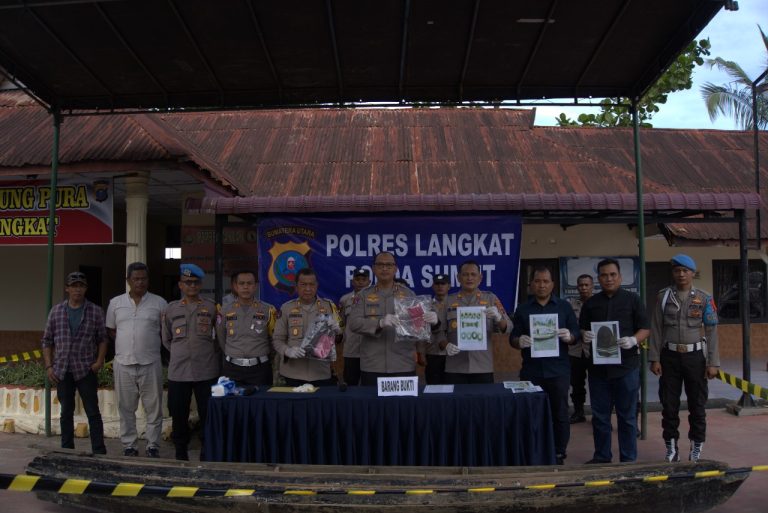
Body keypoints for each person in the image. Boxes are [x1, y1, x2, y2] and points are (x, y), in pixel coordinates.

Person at [649, 254, 719, 463]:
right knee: (669, 405)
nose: (681, 274)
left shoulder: (704, 298)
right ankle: (671, 447)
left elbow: (712, 330)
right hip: (669, 356)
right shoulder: (663, 297)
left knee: (697, 405)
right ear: (673, 273)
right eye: (677, 270)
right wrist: (654, 357)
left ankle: (696, 447)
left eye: (685, 271)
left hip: (695, 357)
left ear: (693, 273)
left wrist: (713, 362)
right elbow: (656, 328)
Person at [579, 258, 649, 463]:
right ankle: (602, 457)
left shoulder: (633, 300)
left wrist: (634, 339)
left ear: (620, 276)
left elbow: (645, 328)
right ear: (598, 278)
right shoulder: (591, 303)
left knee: (626, 418)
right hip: (598, 371)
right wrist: (584, 334)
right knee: (600, 417)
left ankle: (628, 459)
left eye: (612, 275)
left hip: (626, 368)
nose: (608, 279)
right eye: (604, 275)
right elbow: (581, 327)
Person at [511, 266, 579, 465]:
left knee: (560, 412)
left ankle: (559, 451)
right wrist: (518, 341)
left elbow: (575, 333)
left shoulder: (564, 307)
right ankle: (535, 449)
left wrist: (570, 336)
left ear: (552, 284)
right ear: (531, 284)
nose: (541, 285)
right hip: (531, 369)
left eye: (545, 281)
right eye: (538, 281)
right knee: (531, 411)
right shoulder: (523, 309)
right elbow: (513, 337)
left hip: (558, 370)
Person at [105, 262, 168, 457]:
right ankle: (129, 445)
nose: (140, 282)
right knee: (125, 408)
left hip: (150, 362)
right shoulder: (115, 303)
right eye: (136, 279)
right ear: (128, 281)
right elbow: (111, 330)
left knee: (154, 409)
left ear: (148, 280)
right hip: (123, 363)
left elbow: (164, 331)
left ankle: (152, 446)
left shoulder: (160, 303)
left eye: (143, 278)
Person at [41, 271, 108, 454]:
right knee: (66, 412)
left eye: (81, 286)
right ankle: (67, 450)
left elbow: (103, 338)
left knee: (93, 412)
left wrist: (99, 361)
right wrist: (49, 366)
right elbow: (47, 341)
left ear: (85, 289)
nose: (77, 290)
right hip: (63, 370)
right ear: (67, 289)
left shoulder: (95, 311)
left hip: (86, 369)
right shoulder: (56, 311)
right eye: (74, 286)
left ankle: (99, 451)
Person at [349, 251, 438, 386]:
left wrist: (431, 321)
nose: (384, 268)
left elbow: (418, 327)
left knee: (403, 406)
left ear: (396, 269)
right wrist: (379, 323)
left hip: (403, 364)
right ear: (373, 268)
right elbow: (354, 323)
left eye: (389, 265)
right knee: (374, 406)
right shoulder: (363, 295)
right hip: (373, 365)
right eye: (380, 265)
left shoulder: (408, 294)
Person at [161, 263, 220, 461]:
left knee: (207, 413)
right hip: (179, 372)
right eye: (188, 282)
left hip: (206, 370)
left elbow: (218, 338)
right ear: (181, 285)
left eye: (195, 282)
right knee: (179, 414)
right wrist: (181, 353)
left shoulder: (211, 307)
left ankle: (205, 450)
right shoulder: (171, 309)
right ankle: (180, 452)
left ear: (200, 284)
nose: (192, 286)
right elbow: (166, 339)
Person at [439, 260, 511, 384]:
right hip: (455, 367)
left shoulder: (490, 298)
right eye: (465, 274)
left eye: (473, 274)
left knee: (483, 403)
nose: (469, 278)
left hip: (483, 367)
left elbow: (508, 327)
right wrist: (446, 345)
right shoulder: (448, 301)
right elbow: (438, 333)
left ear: (480, 277)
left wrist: (499, 318)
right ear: (458, 277)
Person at [273, 268, 342, 387]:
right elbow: (277, 339)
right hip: (292, 373)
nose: (308, 289)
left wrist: (338, 331)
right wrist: (287, 350)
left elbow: (340, 338)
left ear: (317, 285)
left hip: (321, 373)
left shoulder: (329, 307)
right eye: (303, 285)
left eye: (311, 284)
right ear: (296, 286)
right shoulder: (286, 308)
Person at [216, 269, 277, 387]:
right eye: (241, 283)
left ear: (255, 286)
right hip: (232, 369)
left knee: (260, 404)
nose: (245, 287)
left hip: (260, 369)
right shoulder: (224, 311)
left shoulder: (268, 310)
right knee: (234, 404)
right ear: (235, 286)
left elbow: (274, 338)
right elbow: (221, 338)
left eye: (249, 283)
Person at [338, 267, 371, 385]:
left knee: (370, 385)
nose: (361, 282)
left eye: (364, 279)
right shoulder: (345, 300)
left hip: (371, 350)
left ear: (369, 282)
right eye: (357, 279)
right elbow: (341, 323)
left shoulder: (376, 300)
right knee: (351, 383)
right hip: (351, 349)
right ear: (352, 281)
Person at [568, 274, 594, 424]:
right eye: (581, 285)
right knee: (576, 383)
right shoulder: (571, 305)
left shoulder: (599, 303)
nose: (584, 288)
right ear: (577, 287)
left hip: (594, 351)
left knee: (597, 383)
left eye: (587, 285)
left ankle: (599, 414)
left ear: (592, 286)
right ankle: (579, 412)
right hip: (576, 351)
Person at [424, 273, 450, 385]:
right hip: (432, 352)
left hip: (451, 354)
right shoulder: (426, 305)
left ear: (449, 286)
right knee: (433, 388)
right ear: (433, 286)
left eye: (443, 284)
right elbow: (421, 330)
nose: (440, 286)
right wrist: (420, 352)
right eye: (437, 284)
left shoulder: (456, 303)